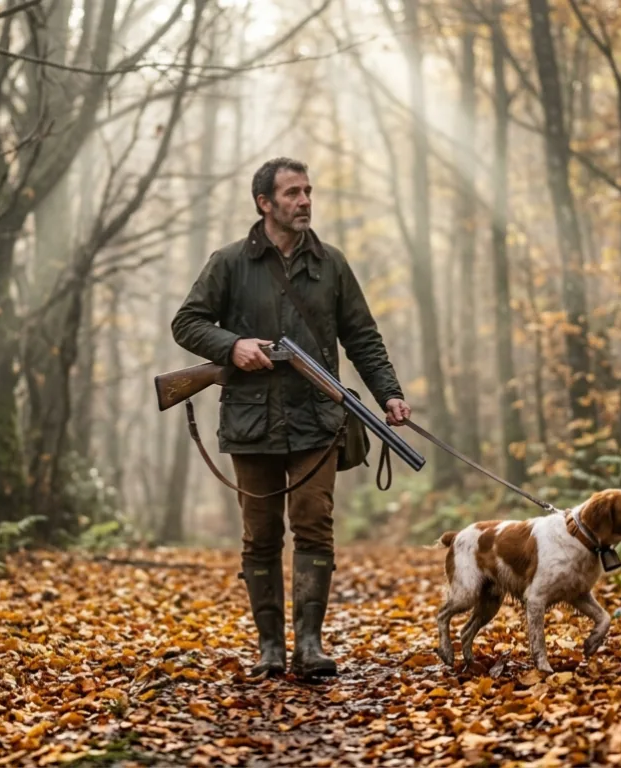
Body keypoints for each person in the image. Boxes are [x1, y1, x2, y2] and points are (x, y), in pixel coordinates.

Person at [171, 157, 411, 679]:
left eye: (308, 191)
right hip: (251, 421)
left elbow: (363, 337)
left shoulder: (332, 264)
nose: (305, 201)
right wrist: (232, 346)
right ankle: (270, 649)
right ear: (265, 203)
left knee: (314, 527)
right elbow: (186, 323)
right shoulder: (230, 263)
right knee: (259, 537)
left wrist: (389, 395)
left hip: (317, 421)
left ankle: (310, 644)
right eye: (292, 193)